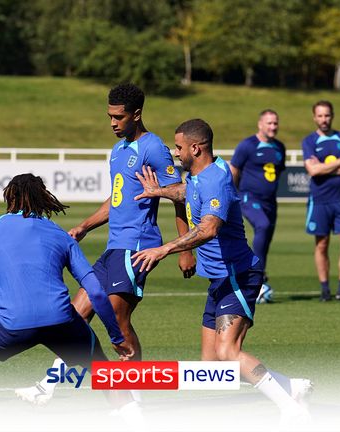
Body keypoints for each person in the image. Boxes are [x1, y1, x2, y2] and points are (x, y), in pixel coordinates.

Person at [14, 83, 195, 404]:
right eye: (109, 116)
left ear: (136, 115)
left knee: (118, 322)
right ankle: (49, 387)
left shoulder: (154, 148)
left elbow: (179, 196)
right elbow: (116, 201)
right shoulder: (118, 151)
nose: (112, 122)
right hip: (113, 247)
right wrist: (84, 226)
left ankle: (133, 396)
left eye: (118, 117)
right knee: (72, 317)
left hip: (137, 248)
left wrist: (185, 249)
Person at [0, 174, 139, 420]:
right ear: (43, 198)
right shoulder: (60, 234)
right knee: (101, 367)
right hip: (63, 323)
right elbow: (94, 290)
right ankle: (137, 419)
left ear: (9, 197)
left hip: (11, 326)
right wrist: (116, 336)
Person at [132, 119, 312, 423]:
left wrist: (165, 249)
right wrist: (159, 191)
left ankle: (291, 409)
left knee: (228, 353)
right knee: (212, 366)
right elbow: (187, 191)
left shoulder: (216, 180)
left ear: (195, 148)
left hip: (239, 276)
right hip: (220, 280)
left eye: (178, 147)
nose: (175, 153)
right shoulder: (200, 176)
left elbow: (209, 229)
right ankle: (290, 386)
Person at [301, 100, 340, 301]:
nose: (324, 119)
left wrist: (328, 166)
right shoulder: (309, 141)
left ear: (332, 116)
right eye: (320, 116)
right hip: (320, 200)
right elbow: (312, 170)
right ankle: (325, 289)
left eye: (327, 115)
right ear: (314, 117)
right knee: (322, 244)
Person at [229, 109, 286, 303]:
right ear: (260, 124)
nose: (273, 127)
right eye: (269, 123)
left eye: (275, 123)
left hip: (270, 202)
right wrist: (235, 195)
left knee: (266, 237)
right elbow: (234, 170)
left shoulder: (280, 147)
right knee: (262, 225)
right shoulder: (247, 145)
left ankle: (257, 276)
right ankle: (256, 277)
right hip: (248, 197)